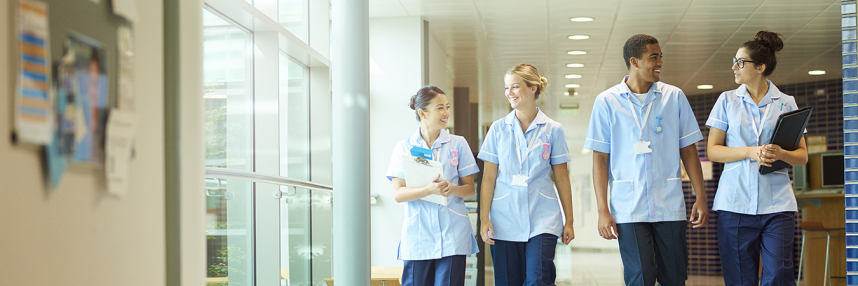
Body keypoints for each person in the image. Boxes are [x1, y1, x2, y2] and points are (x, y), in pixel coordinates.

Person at [584, 34, 709, 286]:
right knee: (639, 277)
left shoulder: (674, 97)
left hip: (669, 204)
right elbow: (600, 160)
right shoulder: (606, 102)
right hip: (627, 207)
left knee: (674, 276)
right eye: (654, 57)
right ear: (635, 61)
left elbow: (689, 150)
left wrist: (701, 196)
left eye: (661, 56)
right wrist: (602, 210)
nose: (660, 62)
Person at [706, 31, 807, 286]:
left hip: (778, 206)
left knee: (778, 276)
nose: (734, 66)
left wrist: (781, 154)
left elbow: (802, 156)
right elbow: (713, 150)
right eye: (735, 60)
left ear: (760, 67)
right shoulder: (726, 101)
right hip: (735, 204)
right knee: (740, 277)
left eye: (741, 62)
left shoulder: (786, 103)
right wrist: (751, 151)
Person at [477, 63, 575, 286]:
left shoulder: (553, 130)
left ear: (533, 88)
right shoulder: (498, 129)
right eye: (506, 88)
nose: (509, 93)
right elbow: (489, 177)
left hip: (542, 217)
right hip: (504, 218)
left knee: (538, 278)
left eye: (515, 87)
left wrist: (569, 220)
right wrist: (484, 219)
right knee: (507, 281)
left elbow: (561, 177)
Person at [385, 86, 480, 286]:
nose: (446, 113)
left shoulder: (458, 144)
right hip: (418, 235)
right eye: (440, 108)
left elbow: (469, 189)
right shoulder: (404, 148)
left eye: (447, 107)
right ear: (422, 113)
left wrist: (450, 188)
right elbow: (398, 193)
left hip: (452, 234)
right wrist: (428, 190)